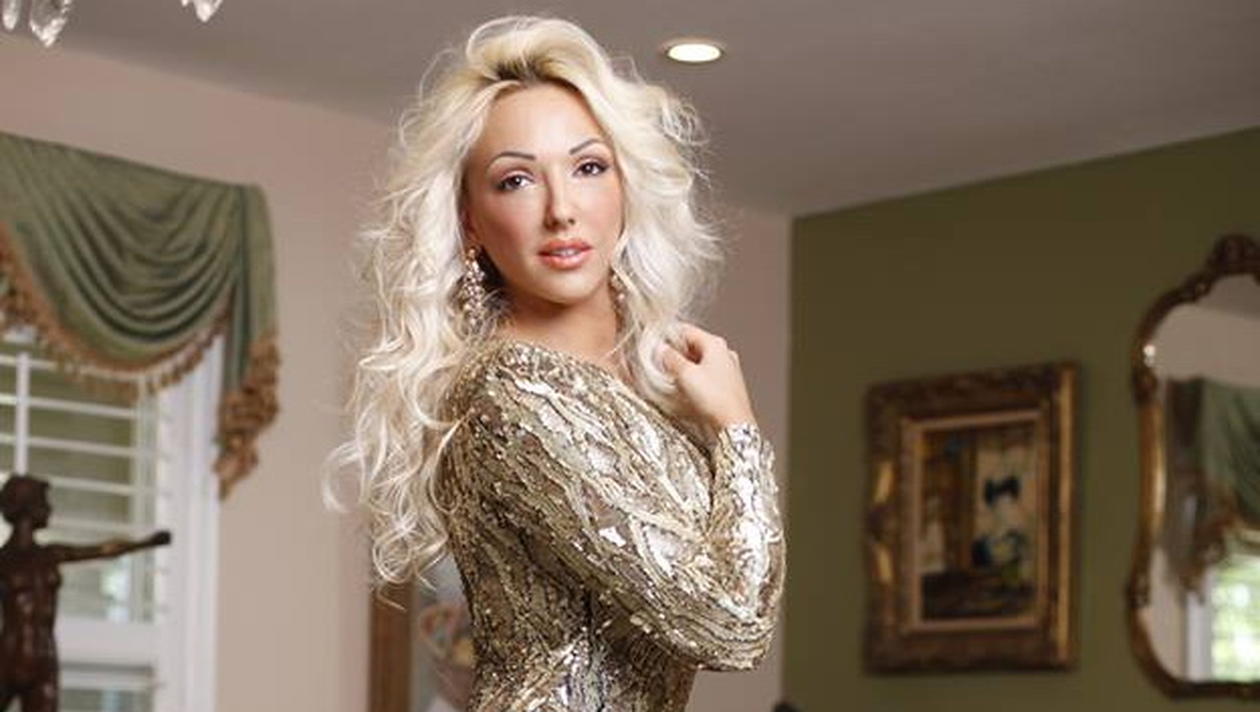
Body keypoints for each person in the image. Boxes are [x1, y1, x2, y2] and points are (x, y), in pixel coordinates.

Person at [332, 15, 784, 712]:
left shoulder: (646, 386)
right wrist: (737, 430)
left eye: (588, 167)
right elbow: (730, 625)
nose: (561, 209)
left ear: (626, 188)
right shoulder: (510, 396)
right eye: (516, 180)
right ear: (470, 223)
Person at [0, 475, 170, 712]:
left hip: (45, 657)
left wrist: (144, 544)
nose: (49, 509)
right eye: (43, 501)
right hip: (10, 655)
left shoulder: (50, 555)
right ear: (26, 506)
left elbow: (104, 550)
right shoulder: (4, 561)